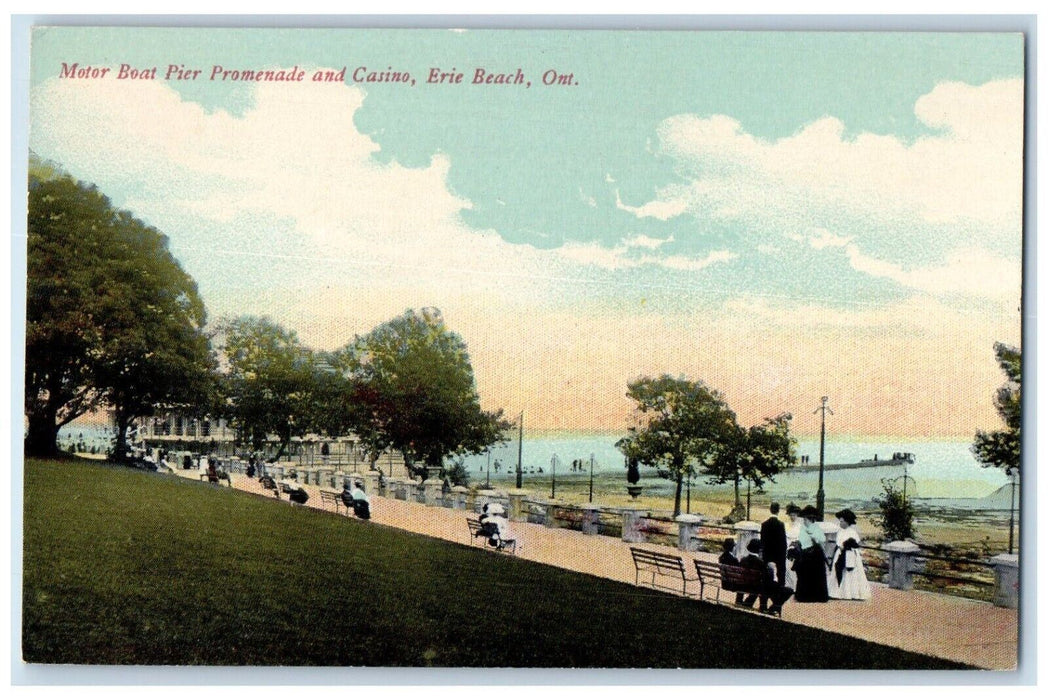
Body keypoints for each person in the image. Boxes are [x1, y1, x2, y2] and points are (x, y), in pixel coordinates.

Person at [739, 539, 794, 615]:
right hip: (760, 587)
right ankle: (774, 607)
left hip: (747, 585)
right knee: (789, 590)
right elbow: (769, 579)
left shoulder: (743, 560)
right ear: (759, 550)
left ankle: (753, 603)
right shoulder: (761, 563)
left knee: (766, 586)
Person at [828, 508, 872, 601]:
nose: (840, 523)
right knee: (838, 570)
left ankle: (850, 592)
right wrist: (840, 547)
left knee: (849, 573)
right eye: (840, 521)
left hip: (850, 555)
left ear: (847, 522)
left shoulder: (852, 532)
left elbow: (855, 544)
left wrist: (847, 545)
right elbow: (838, 543)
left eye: (842, 521)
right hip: (840, 553)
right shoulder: (840, 531)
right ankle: (837, 592)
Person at [793, 505, 830, 602]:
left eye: (805, 519)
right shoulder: (803, 528)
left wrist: (814, 539)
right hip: (806, 554)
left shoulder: (816, 528)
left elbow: (822, 540)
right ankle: (805, 595)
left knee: (814, 575)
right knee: (805, 575)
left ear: (809, 519)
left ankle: (815, 596)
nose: (804, 521)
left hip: (815, 555)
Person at [761, 502, 788, 586]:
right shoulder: (780, 524)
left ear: (770, 510)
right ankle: (780, 589)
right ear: (778, 511)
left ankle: (767, 588)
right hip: (779, 553)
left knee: (766, 572)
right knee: (781, 573)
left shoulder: (764, 524)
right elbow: (783, 541)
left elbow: (762, 540)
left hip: (767, 553)